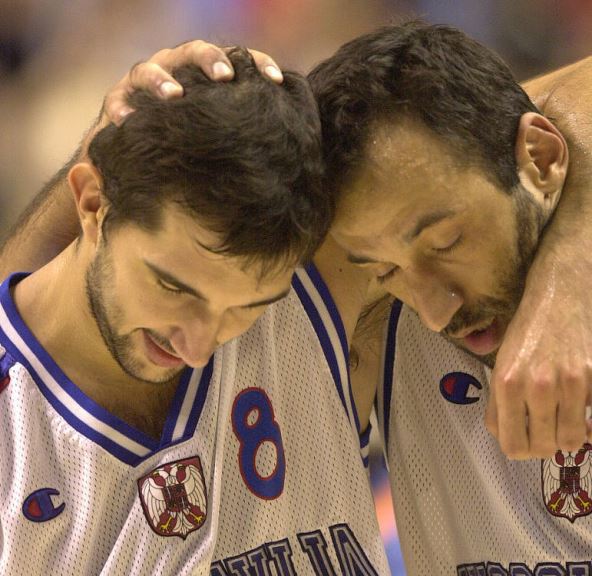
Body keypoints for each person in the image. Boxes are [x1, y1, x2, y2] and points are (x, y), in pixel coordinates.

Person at [0, 49, 389, 574]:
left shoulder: (311, 287)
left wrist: (546, 288)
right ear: (92, 203)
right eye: (172, 286)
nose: (199, 345)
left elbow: (514, 140)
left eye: (248, 308)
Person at [308, 22, 592, 573]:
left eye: (446, 242)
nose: (436, 311)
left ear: (539, 156)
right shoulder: (371, 311)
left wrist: (565, 278)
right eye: (386, 270)